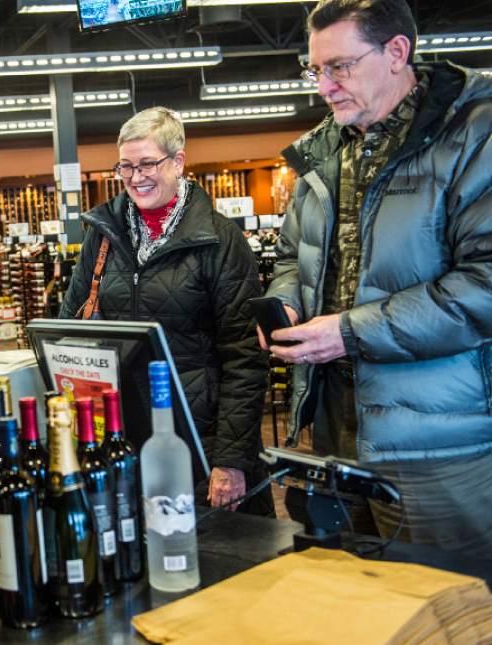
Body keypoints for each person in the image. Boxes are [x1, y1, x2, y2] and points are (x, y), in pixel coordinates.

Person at [262, 0, 492, 553]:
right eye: (315, 69)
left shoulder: (473, 135)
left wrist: (348, 331)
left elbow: (484, 285)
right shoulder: (326, 151)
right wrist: (286, 302)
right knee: (363, 608)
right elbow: (294, 255)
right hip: (337, 427)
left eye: (339, 66)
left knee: (448, 615)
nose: (324, 86)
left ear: (396, 53)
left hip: (436, 441)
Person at [60, 107, 272, 515]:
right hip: (127, 435)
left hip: (200, 439)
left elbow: (245, 355)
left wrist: (230, 459)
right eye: (125, 166)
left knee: (216, 561)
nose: (136, 177)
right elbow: (71, 326)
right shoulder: (102, 237)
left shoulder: (219, 240)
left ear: (177, 162)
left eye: (147, 164)